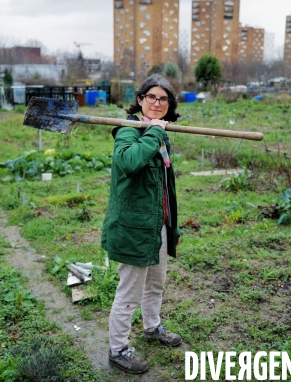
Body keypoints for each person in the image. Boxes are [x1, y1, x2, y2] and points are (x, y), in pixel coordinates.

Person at [101, 74, 183, 374]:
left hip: (157, 225)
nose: (157, 103)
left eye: (163, 99)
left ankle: (152, 327)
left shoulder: (161, 134)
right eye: (152, 97)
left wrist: (171, 225)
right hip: (133, 228)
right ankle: (118, 349)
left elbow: (163, 185)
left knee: (156, 283)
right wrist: (154, 133)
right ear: (140, 100)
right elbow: (129, 163)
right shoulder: (128, 131)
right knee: (129, 292)